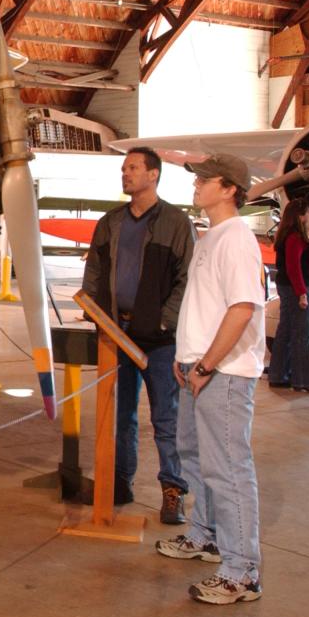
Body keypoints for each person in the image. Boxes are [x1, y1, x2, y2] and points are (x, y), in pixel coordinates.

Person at [155, 153, 267, 605]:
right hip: (198, 369)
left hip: (223, 373)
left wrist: (206, 366)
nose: (196, 185)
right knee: (195, 457)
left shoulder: (237, 239)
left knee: (228, 470)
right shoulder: (210, 236)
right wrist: (187, 357)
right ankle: (206, 535)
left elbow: (242, 309)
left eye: (205, 179)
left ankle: (242, 573)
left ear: (229, 188)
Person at [81, 147, 195, 524]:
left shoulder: (176, 223)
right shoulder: (110, 222)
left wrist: (164, 322)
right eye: (123, 168)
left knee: (166, 418)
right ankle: (119, 483)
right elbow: (94, 271)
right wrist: (96, 313)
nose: (125, 174)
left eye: (133, 168)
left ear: (153, 174)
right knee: (121, 415)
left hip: (159, 342)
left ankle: (173, 491)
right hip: (117, 334)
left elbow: (186, 279)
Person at [269, 199, 309, 394]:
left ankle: (278, 375)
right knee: (301, 334)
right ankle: (303, 381)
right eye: (308, 212)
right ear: (301, 215)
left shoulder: (285, 235)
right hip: (295, 288)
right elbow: (294, 267)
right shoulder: (295, 237)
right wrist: (301, 293)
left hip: (286, 286)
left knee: (285, 331)